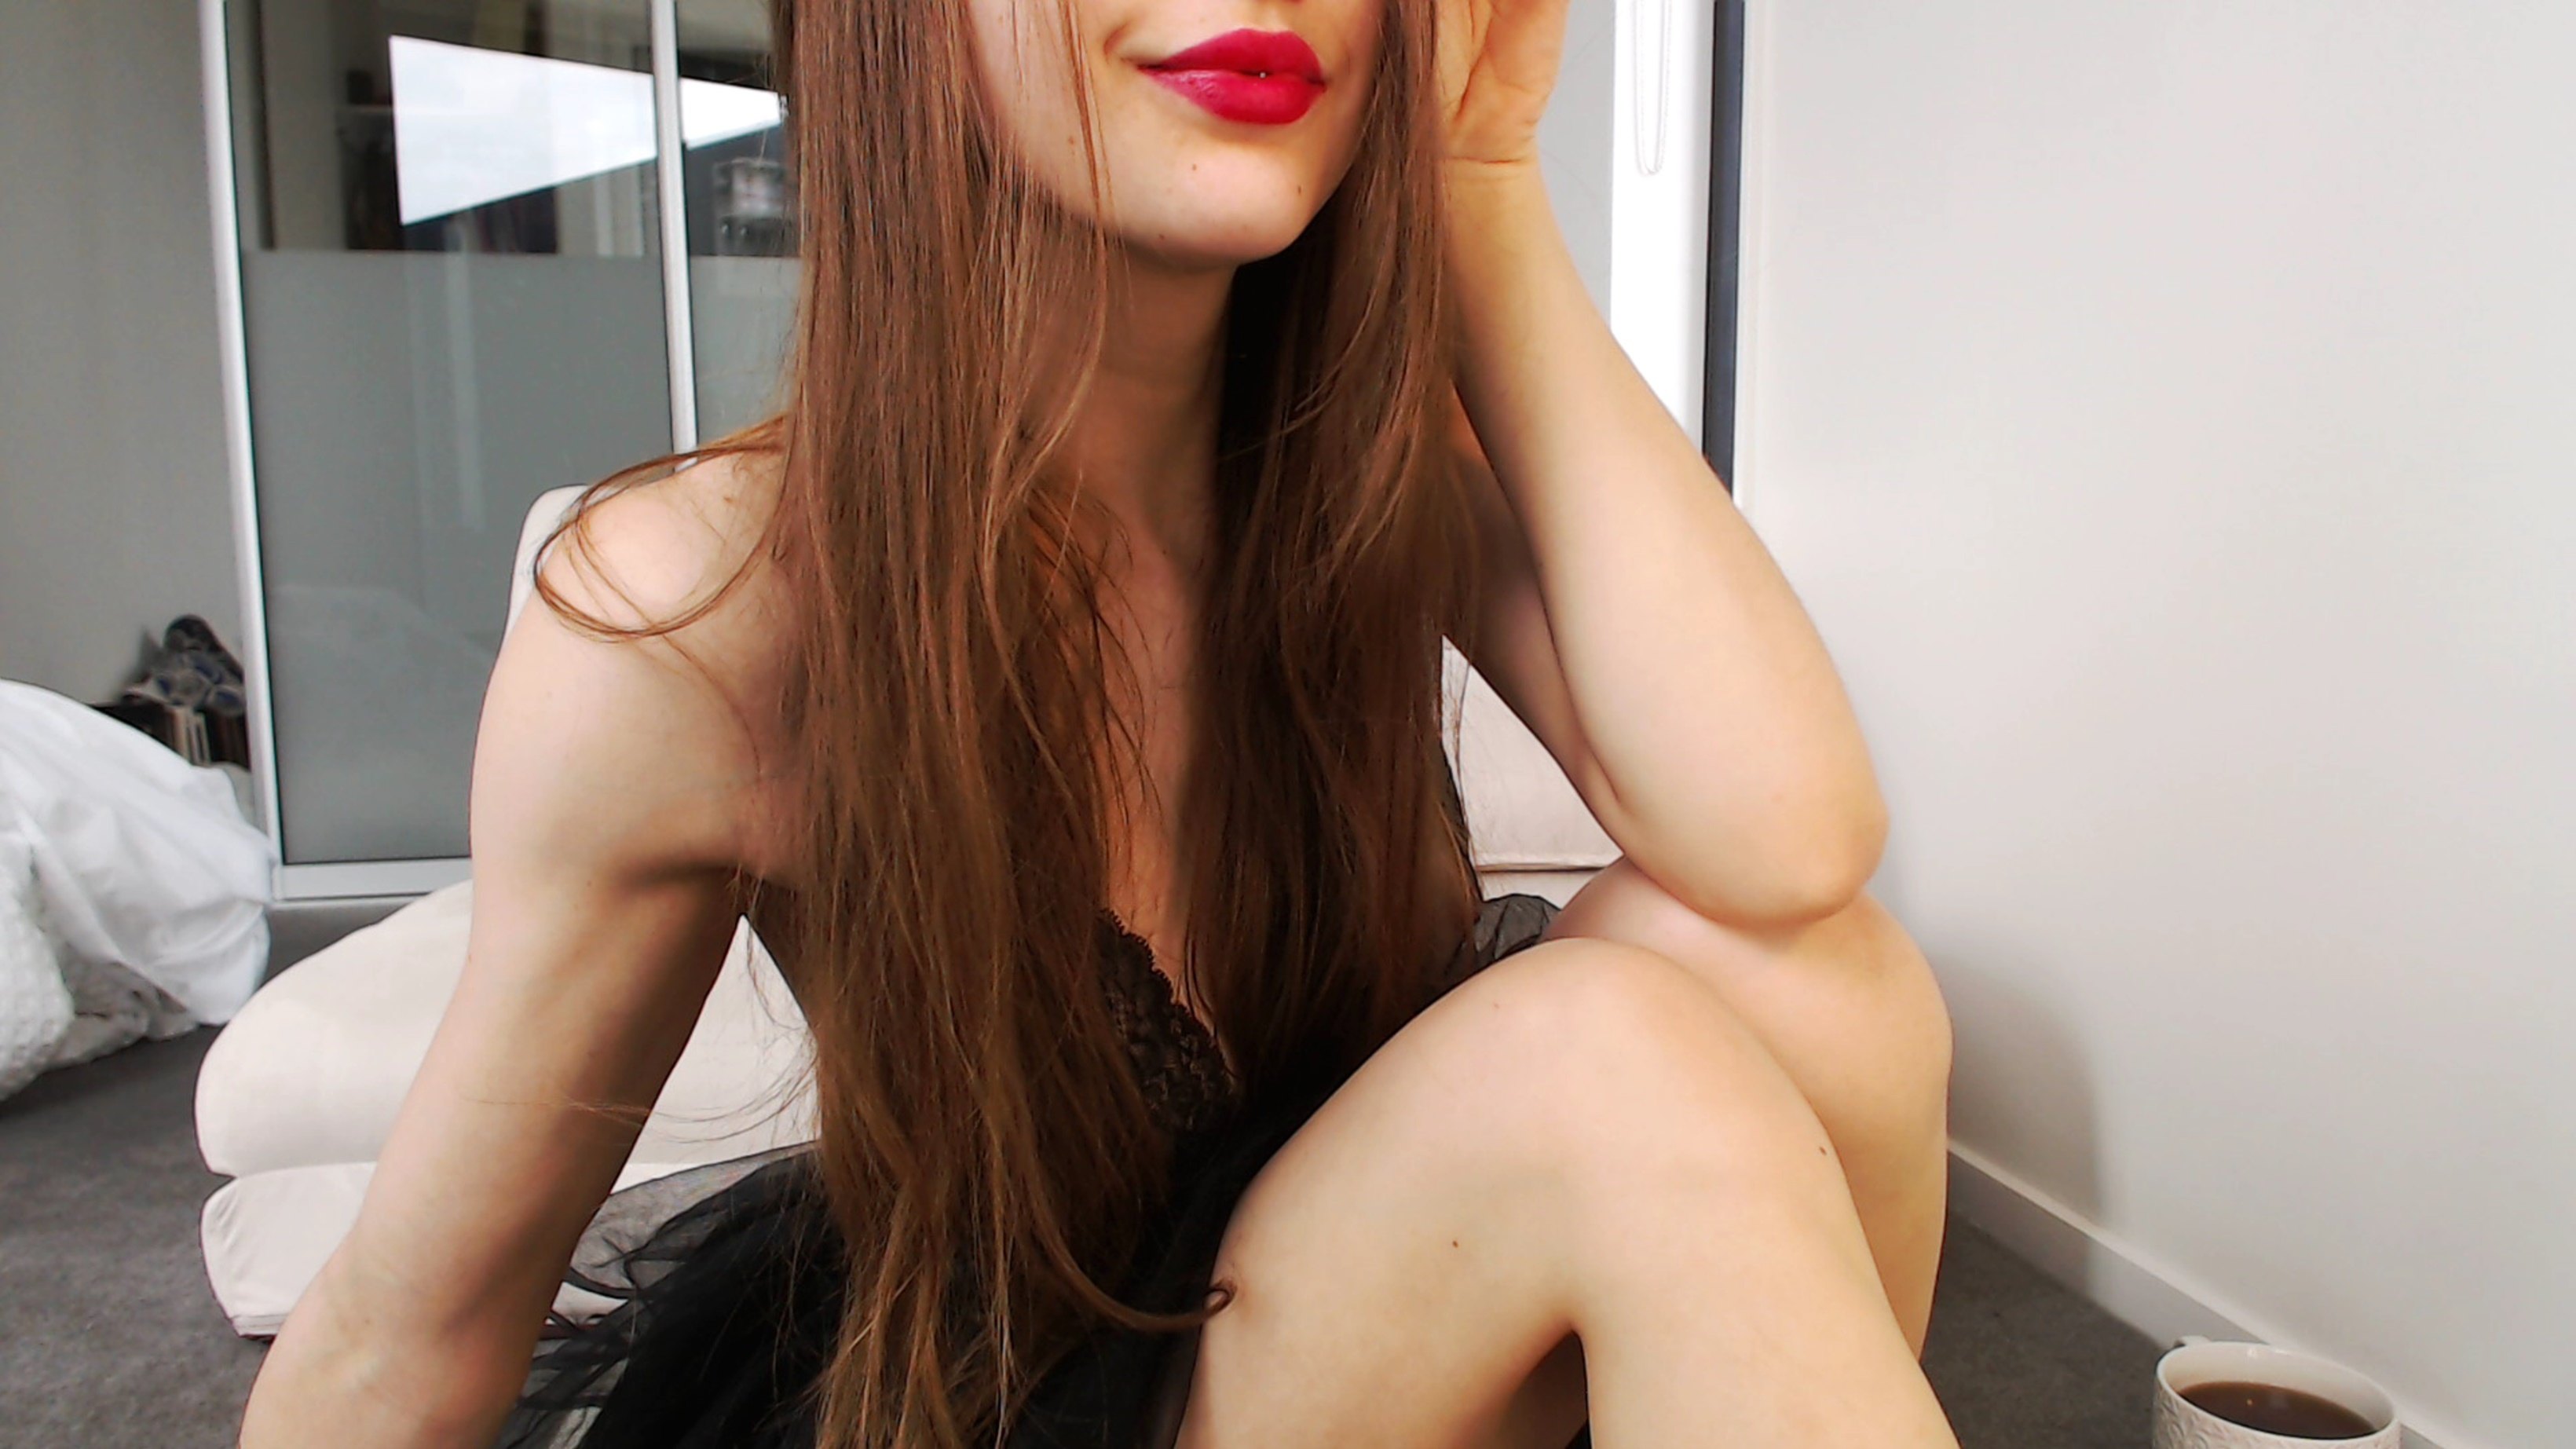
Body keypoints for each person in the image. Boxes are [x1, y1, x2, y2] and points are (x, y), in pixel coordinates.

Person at [236, 0, 1962, 1444]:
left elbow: (1786, 844)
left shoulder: (1344, 474)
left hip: (1335, 1328)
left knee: (1830, 993)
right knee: (1608, 1061)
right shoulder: (707, 605)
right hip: (1033, 1393)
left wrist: (1480, 179)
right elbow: (409, 1335)